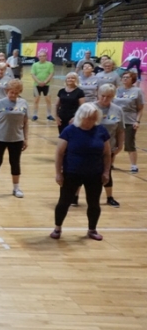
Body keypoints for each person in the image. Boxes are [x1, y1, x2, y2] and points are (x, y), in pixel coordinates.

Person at [51, 103, 111, 241]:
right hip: (72, 173)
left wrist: (106, 172)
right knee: (64, 202)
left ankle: (92, 229)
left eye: (93, 118)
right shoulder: (69, 131)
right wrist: (58, 173)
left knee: (94, 203)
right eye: (88, 118)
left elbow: (107, 154)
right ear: (81, 116)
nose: (91, 121)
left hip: (94, 173)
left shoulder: (101, 131)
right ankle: (57, 228)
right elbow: (59, 153)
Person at [0, 78, 28, 198]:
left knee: (15, 163)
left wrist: (26, 138)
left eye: (16, 92)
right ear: (7, 91)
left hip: (17, 139)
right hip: (0, 138)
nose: (13, 95)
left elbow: (25, 122)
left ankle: (16, 189)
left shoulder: (23, 103)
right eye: (11, 92)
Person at [95, 84, 124, 207]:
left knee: (107, 171)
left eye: (109, 96)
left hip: (108, 148)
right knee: (84, 172)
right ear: (98, 94)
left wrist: (120, 145)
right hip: (90, 147)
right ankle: (75, 196)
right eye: (103, 96)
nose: (105, 99)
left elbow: (120, 130)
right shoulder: (90, 107)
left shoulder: (117, 110)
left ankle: (109, 197)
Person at [114, 70, 143, 173]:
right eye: (124, 77)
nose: (125, 79)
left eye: (128, 77)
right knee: (114, 143)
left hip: (130, 121)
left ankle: (134, 166)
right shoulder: (118, 90)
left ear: (132, 79)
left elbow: (140, 108)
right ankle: (110, 163)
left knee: (129, 143)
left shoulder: (137, 91)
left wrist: (137, 121)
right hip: (116, 120)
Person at [30, 49, 55, 121]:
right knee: (36, 100)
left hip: (47, 85)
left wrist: (45, 82)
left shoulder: (50, 64)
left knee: (48, 100)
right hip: (36, 85)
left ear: (46, 56)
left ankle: (49, 115)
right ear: (38, 57)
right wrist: (38, 82)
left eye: (43, 56)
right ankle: (35, 115)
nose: (42, 57)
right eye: (40, 56)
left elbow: (51, 74)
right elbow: (33, 74)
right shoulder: (35, 65)